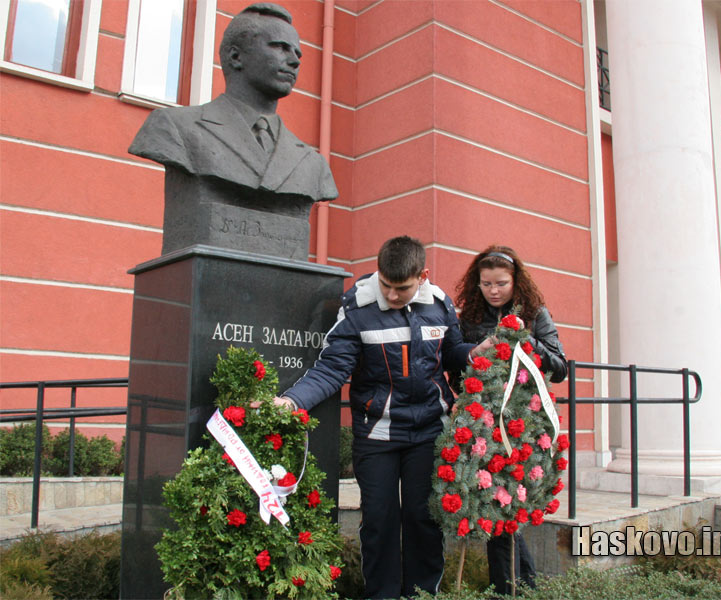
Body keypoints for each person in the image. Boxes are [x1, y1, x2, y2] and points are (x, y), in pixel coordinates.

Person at [274, 236, 493, 599]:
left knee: (424, 520)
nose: (391, 296)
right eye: (386, 285)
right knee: (379, 521)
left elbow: (451, 353)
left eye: (401, 288)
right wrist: (292, 401)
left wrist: (473, 353)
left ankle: (422, 594)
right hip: (377, 435)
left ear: (422, 275)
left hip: (429, 433)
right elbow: (332, 369)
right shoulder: (356, 307)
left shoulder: (440, 304)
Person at [129, 2, 337, 201]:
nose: (294, 61)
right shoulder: (173, 128)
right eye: (280, 47)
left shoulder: (313, 164)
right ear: (236, 56)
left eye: (297, 53)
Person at [452, 245, 567, 595]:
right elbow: (455, 367)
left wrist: (526, 338)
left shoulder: (535, 313)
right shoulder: (469, 316)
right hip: (483, 423)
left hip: (525, 424)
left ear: (517, 281)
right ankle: (516, 586)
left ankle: (514, 586)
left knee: (508, 504)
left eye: (501, 283)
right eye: (486, 284)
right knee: (497, 503)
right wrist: (481, 350)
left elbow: (560, 368)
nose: (494, 291)